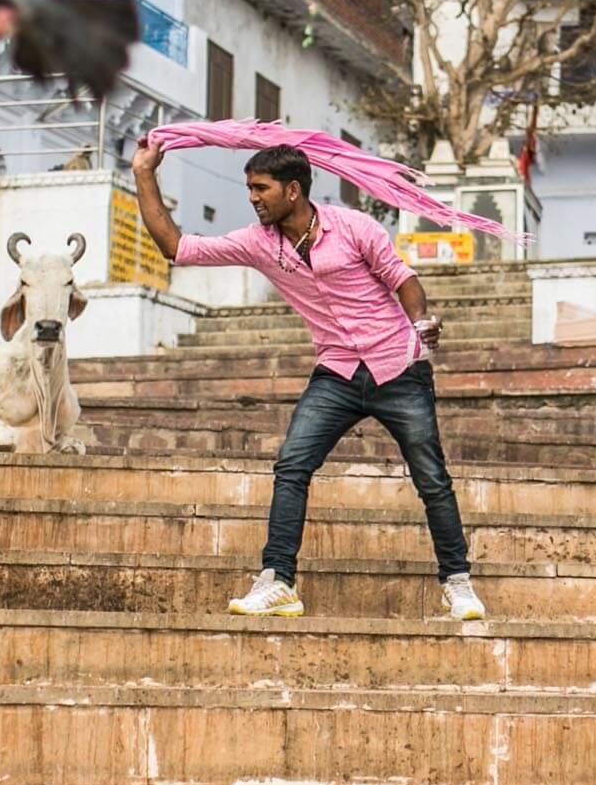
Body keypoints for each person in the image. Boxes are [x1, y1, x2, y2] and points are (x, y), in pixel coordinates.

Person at [130, 138, 483, 620]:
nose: (253, 198)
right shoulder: (258, 242)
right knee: (292, 465)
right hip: (336, 372)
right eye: (249, 188)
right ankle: (278, 581)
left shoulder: (355, 227)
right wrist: (144, 173)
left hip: (398, 367)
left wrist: (420, 323)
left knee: (431, 477)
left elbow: (404, 280)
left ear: (292, 190)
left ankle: (457, 583)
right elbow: (177, 247)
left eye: (261, 188)